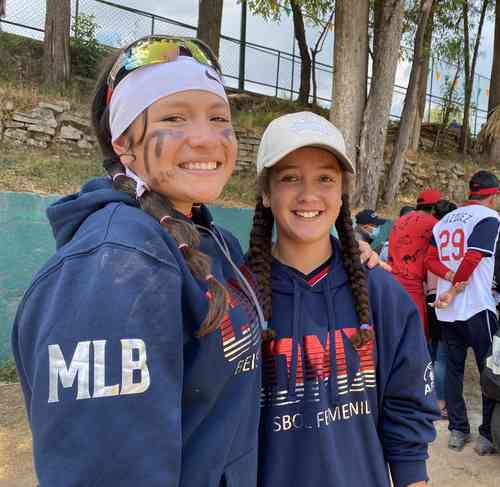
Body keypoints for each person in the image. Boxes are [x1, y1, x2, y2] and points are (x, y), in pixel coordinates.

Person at [11, 35, 265, 486]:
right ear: (124, 142)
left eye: (218, 118)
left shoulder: (214, 239)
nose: (206, 138)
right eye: (174, 117)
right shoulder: (115, 268)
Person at [246, 112, 439, 487]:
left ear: (341, 194)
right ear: (267, 193)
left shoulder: (381, 294)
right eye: (289, 178)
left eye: (325, 178)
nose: (309, 194)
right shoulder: (239, 295)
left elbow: (407, 419)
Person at [431, 170, 500, 454]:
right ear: (493, 195)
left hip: (448, 312)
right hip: (476, 305)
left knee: (454, 371)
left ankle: (458, 430)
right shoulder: (489, 218)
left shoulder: (445, 220)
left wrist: (448, 279)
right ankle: (486, 435)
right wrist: (455, 288)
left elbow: (429, 259)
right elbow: (474, 255)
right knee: (490, 372)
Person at [388, 189, 448, 339]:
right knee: (415, 336)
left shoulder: (400, 220)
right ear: (435, 207)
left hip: (390, 281)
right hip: (412, 286)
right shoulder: (435, 225)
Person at [426, 199, 458, 420]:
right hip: (447, 299)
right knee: (442, 355)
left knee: (431, 351)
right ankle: (439, 403)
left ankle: (428, 398)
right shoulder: (454, 240)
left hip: (427, 296)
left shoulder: (433, 236)